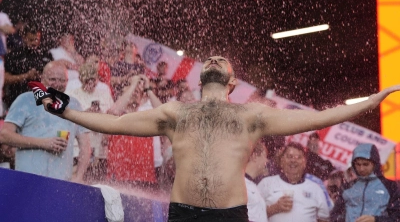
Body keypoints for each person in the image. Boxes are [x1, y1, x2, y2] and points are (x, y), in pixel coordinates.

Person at [35, 56, 400, 221]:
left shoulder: (252, 115)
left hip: (230, 216)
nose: (213, 57)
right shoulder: (175, 112)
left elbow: (318, 117)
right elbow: (111, 124)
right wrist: (59, 107)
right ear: (201, 79)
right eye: (209, 57)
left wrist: (370, 102)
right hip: (183, 215)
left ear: (231, 82)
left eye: (221, 59)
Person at [0, 61, 91, 182]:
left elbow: (85, 145)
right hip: (27, 180)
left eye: (62, 80)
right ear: (42, 79)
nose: (57, 84)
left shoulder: (73, 105)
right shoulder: (25, 100)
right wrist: (43, 143)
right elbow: (4, 136)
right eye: (52, 79)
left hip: (61, 182)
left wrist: (79, 176)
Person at [258, 142, 331, 222]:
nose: (293, 160)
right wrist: (275, 208)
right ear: (282, 160)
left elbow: (324, 219)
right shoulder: (267, 183)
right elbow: (252, 213)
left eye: (298, 157)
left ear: (304, 163)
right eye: (290, 156)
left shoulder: (316, 189)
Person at [330, 143, 400, 222]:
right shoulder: (347, 187)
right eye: (358, 164)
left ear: (374, 163)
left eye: (365, 164)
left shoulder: (390, 186)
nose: (361, 168)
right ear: (353, 164)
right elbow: (334, 215)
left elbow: (397, 217)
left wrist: (375, 220)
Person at [3, 24, 52, 109]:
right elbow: (5, 79)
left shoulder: (46, 54)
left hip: (41, 100)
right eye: (31, 40)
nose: (34, 43)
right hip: (18, 99)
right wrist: (26, 76)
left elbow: (53, 74)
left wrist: (42, 76)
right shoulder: (14, 55)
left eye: (36, 39)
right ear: (24, 38)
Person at [245, 141, 269, 222]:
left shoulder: (251, 185)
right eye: (265, 156)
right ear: (254, 156)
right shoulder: (240, 185)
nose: (267, 161)